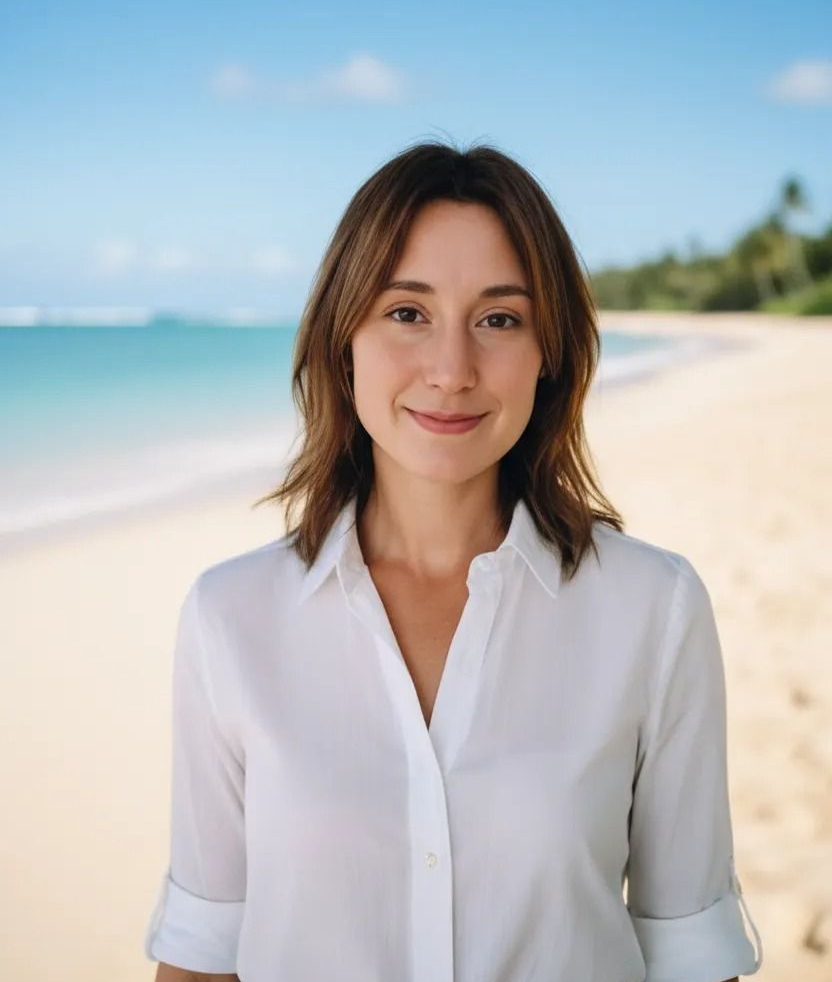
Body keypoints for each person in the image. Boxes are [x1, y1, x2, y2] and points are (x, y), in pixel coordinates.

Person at [143, 139, 764, 982]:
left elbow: (692, 954)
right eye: (408, 312)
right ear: (343, 339)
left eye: (499, 319)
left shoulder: (654, 609)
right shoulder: (230, 616)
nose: (451, 368)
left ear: (550, 354)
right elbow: (203, 951)